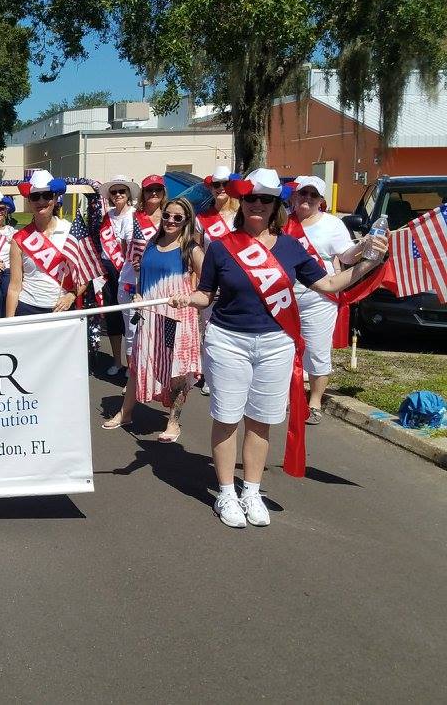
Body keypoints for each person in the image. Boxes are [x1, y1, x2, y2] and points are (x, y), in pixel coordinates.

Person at [170, 168, 388, 529]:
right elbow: (206, 293)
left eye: (266, 199)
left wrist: (369, 262)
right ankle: (225, 492)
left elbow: (330, 283)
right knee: (226, 418)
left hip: (276, 344)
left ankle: (251, 491)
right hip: (228, 341)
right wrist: (186, 299)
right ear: (244, 201)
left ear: (276, 206)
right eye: (252, 198)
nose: (258, 204)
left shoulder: (291, 247)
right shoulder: (222, 247)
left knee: (261, 419)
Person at [103, 197, 202, 441]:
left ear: (186, 220)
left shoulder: (191, 249)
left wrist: (189, 297)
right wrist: (138, 293)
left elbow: (208, 285)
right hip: (149, 317)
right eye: (167, 215)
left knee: (176, 370)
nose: (170, 221)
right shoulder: (151, 244)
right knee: (139, 363)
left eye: (177, 217)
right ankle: (125, 413)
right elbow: (142, 276)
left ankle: (173, 422)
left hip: (177, 318)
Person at [284, 175, 367, 424]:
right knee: (283, 350)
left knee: (317, 351)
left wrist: (363, 246)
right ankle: (285, 397)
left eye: (313, 195)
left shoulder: (332, 225)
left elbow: (348, 256)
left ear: (321, 200)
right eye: (303, 193)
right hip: (283, 298)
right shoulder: (281, 222)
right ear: (294, 196)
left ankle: (315, 401)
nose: (307, 198)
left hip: (318, 298)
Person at [6, 170, 88, 316]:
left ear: (56, 198)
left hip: (61, 308)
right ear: (29, 200)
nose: (41, 201)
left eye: (47, 195)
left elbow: (85, 274)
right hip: (28, 308)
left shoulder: (71, 231)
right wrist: (9, 324)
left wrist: (71, 296)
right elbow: (14, 286)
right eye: (36, 196)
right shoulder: (19, 239)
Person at [194, 165, 240, 396]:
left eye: (224, 184)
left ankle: (234, 374)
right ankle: (210, 376)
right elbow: (196, 250)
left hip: (242, 280)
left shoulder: (242, 215)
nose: (220, 188)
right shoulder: (202, 218)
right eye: (216, 185)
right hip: (212, 280)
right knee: (210, 331)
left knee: (237, 330)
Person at [118, 174, 165, 359]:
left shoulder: (170, 218)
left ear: (163, 192)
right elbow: (125, 250)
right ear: (143, 193)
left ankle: (152, 375)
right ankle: (132, 379)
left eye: (158, 189)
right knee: (132, 332)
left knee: (158, 332)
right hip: (131, 282)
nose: (154, 193)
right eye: (149, 190)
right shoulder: (130, 218)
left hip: (159, 284)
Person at [96, 175, 139, 374]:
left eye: (122, 191)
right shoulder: (107, 217)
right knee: (113, 315)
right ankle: (117, 361)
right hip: (108, 269)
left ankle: (134, 364)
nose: (118, 195)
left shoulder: (136, 215)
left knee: (131, 318)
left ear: (129, 193)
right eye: (114, 192)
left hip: (129, 270)